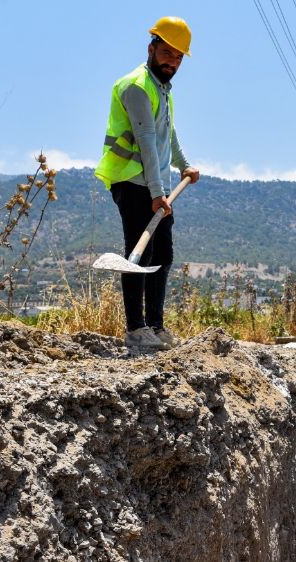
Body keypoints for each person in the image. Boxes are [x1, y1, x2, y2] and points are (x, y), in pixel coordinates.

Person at [94, 16, 200, 350]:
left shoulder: (162, 90)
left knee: (163, 254)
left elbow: (168, 134)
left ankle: (155, 325)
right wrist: (157, 193)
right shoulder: (137, 86)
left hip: (155, 185)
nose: (173, 60)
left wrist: (184, 165)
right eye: (167, 52)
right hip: (132, 181)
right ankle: (135, 328)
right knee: (139, 255)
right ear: (151, 47)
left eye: (179, 56)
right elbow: (146, 140)